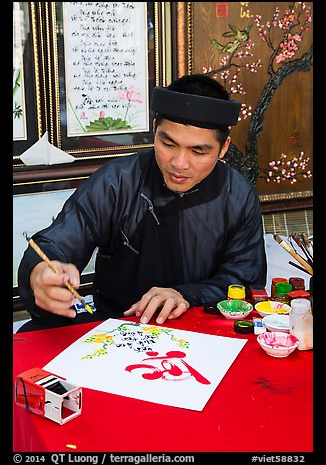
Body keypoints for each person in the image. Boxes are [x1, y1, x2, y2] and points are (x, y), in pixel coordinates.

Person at [17, 73, 267, 331]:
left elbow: (244, 280)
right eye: (168, 143)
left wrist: (188, 294)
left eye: (198, 151)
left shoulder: (237, 194)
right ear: (155, 129)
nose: (179, 163)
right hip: (116, 323)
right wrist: (39, 274)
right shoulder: (117, 181)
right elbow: (56, 243)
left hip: (203, 326)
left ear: (223, 147)